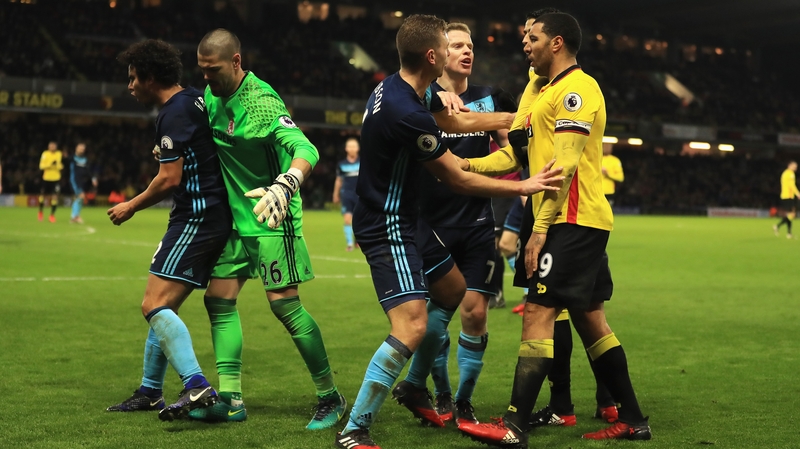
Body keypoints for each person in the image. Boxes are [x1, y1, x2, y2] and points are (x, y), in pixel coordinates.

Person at [335, 14, 564, 449]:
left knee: (453, 289)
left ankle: (414, 386)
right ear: (431, 56)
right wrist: (524, 186)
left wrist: (511, 119)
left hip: (409, 217)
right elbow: (457, 177)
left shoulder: (403, 89)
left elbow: (456, 123)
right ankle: (354, 430)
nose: (454, 50)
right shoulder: (407, 112)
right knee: (411, 325)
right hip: (387, 222)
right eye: (447, 45)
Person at [457, 12, 651, 446]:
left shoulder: (578, 90)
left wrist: (540, 229)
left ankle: (513, 426)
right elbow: (517, 158)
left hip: (570, 218)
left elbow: (563, 166)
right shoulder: (544, 91)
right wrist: (464, 165)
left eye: (533, 37)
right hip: (566, 218)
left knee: (538, 313)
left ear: (557, 42)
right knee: (590, 318)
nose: (525, 43)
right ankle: (633, 419)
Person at [193, 29, 346, 428]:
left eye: (213, 70)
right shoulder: (211, 93)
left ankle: (330, 396)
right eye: (202, 70)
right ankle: (231, 398)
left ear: (236, 62)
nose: (207, 77)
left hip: (272, 216)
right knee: (218, 300)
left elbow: (306, 148)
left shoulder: (261, 101)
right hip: (234, 221)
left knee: (285, 306)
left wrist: (287, 183)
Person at [106, 39, 230, 421]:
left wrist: (130, 205)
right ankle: (149, 391)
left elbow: (168, 179)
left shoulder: (172, 113)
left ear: (149, 77)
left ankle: (196, 384)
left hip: (197, 217)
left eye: (133, 78)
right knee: (164, 305)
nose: (129, 85)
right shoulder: (192, 99)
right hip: (209, 215)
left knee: (153, 305)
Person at [406, 22, 514, 426]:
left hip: (476, 223)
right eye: (457, 45)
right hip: (431, 225)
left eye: (470, 45)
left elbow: (511, 153)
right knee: (435, 316)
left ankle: (464, 400)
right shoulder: (422, 99)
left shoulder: (490, 99)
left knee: (475, 312)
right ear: (438, 52)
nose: (467, 51)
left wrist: (502, 173)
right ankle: (441, 394)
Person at [332, 137, 360, 251]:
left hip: (360, 195)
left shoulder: (363, 163)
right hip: (347, 195)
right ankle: (349, 244)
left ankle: (358, 241)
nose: (352, 149)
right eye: (350, 146)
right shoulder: (342, 164)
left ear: (358, 148)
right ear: (346, 149)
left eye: (354, 146)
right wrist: (335, 194)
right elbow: (339, 180)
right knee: (347, 219)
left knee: (359, 220)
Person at [67, 143, 97, 224]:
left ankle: (75, 216)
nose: (82, 150)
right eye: (80, 148)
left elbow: (88, 171)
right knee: (81, 196)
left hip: (82, 182)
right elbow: (65, 162)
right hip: (74, 181)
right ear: (76, 148)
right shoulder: (72, 158)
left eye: (83, 149)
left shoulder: (85, 159)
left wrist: (93, 179)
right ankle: (75, 216)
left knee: (80, 198)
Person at [38, 141, 63, 222]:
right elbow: (41, 166)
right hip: (46, 178)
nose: (52, 147)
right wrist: (50, 164)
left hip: (56, 178)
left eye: (54, 146)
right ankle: (41, 212)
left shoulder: (59, 154)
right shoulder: (45, 154)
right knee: (42, 195)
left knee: (55, 197)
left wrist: (59, 166)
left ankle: (52, 215)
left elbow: (60, 165)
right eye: (51, 146)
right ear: (48, 147)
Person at [773, 161, 799, 239]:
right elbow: (791, 185)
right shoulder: (790, 174)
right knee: (792, 214)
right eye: (794, 166)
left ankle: (788, 233)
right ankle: (778, 226)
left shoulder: (784, 173)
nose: (795, 168)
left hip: (784, 195)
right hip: (788, 196)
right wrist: (798, 193)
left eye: (796, 167)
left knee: (790, 215)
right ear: (789, 165)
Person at [601, 143, 624, 207]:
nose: (606, 148)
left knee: (608, 211)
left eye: (608, 146)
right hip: (595, 191)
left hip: (609, 192)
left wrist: (608, 174)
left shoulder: (615, 160)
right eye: (605, 146)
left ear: (611, 148)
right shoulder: (595, 159)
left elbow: (620, 178)